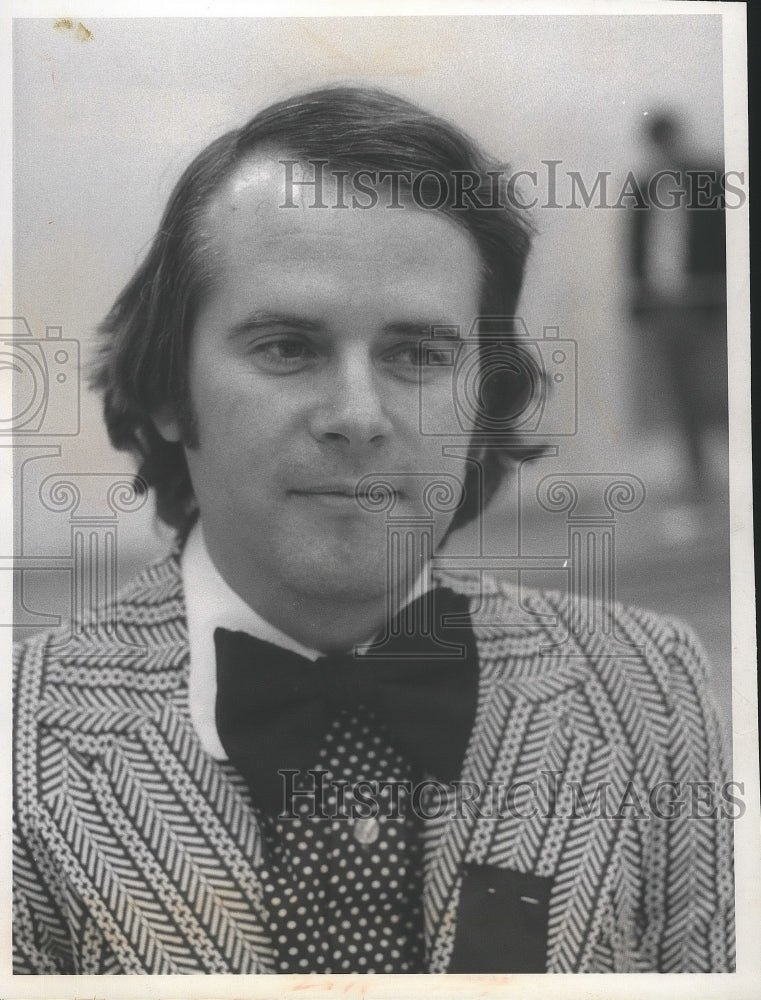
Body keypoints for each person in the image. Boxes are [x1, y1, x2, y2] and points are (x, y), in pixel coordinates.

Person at [13, 86, 734, 975]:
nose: (357, 416)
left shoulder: (650, 694)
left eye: (417, 355)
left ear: (483, 399)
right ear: (167, 387)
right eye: (286, 346)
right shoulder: (20, 742)